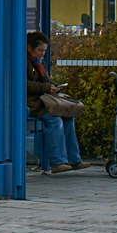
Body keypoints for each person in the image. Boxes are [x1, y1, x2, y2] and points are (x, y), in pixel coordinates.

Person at [27, 30, 90, 172]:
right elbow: (25, 84)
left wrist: (53, 86)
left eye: (44, 51)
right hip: (32, 103)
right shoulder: (23, 63)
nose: (42, 54)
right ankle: (57, 162)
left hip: (41, 101)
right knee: (55, 121)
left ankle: (74, 159)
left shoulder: (38, 63)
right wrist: (47, 88)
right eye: (39, 50)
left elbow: (43, 82)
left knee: (68, 119)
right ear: (30, 48)